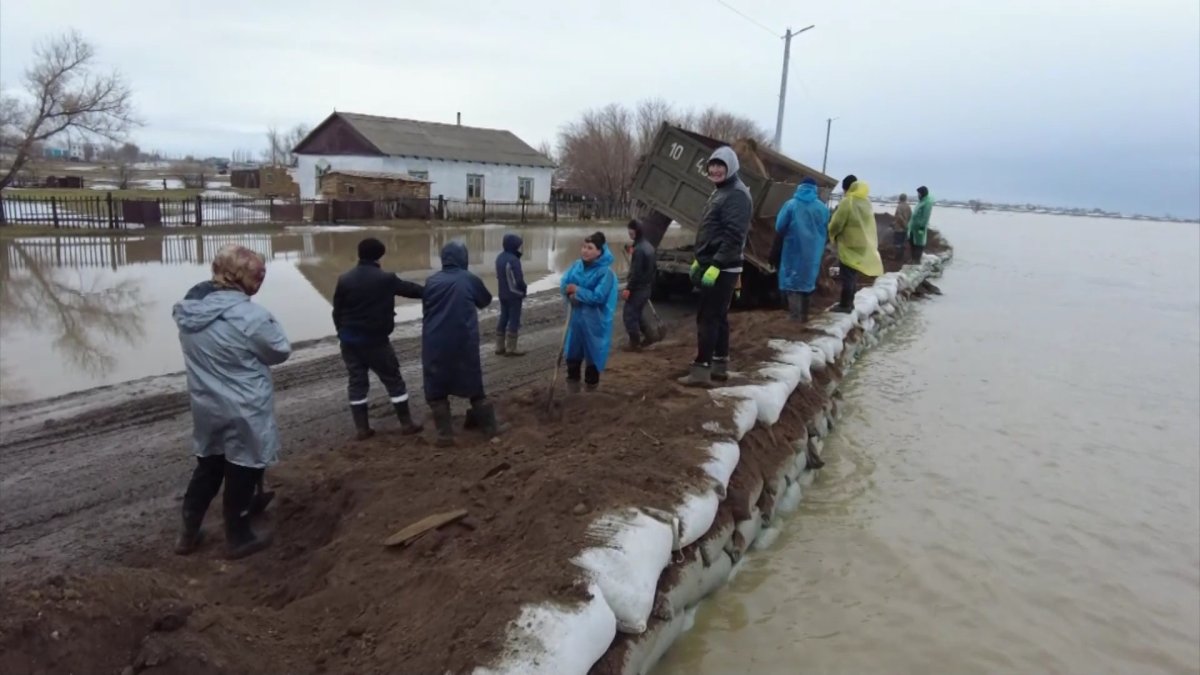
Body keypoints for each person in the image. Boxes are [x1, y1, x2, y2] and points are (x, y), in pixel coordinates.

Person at [172, 244, 291, 560]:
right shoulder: (252, 316)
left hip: (206, 402)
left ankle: (187, 534)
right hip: (244, 404)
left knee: (209, 466)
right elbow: (280, 350)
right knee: (245, 466)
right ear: (241, 277)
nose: (261, 278)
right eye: (257, 274)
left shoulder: (189, 311)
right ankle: (238, 537)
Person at [332, 237, 425, 441]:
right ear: (380, 255)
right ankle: (407, 424)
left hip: (349, 341)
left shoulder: (344, 279)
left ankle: (362, 429)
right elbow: (412, 290)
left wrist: (341, 332)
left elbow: (336, 311)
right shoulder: (386, 279)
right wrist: (434, 289)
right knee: (393, 380)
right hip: (376, 341)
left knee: (357, 382)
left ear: (359, 254)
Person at [422, 241, 501, 447]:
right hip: (463, 341)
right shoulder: (469, 279)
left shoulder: (431, 280)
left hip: (433, 341)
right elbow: (484, 300)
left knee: (436, 388)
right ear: (463, 258)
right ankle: (490, 430)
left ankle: (445, 435)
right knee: (474, 385)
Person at [686, 146, 752, 385]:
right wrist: (699, 258)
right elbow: (713, 230)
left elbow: (734, 236)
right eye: (712, 165)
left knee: (708, 317)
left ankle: (702, 369)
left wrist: (715, 264)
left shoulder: (736, 194)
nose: (714, 170)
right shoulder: (723, 191)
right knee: (719, 316)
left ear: (731, 167)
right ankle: (719, 365)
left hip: (722, 268)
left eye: (720, 165)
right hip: (716, 263)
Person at [561, 231, 619, 391]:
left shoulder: (606, 273)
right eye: (584, 247)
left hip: (595, 322)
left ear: (599, 252)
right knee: (572, 357)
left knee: (592, 358)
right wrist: (568, 293)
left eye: (590, 247)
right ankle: (572, 392)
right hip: (576, 319)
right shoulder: (576, 266)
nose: (585, 250)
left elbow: (599, 297)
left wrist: (578, 291)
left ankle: (591, 393)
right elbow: (564, 283)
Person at [774, 177, 830, 322]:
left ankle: (794, 319)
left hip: (793, 250)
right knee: (807, 283)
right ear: (814, 189)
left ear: (800, 188)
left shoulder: (790, 205)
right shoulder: (822, 208)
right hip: (813, 252)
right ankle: (804, 317)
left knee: (792, 284)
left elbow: (779, 226)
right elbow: (826, 228)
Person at [828, 178, 884, 313]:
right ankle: (850, 303)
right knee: (853, 274)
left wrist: (831, 233)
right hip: (862, 244)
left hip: (849, 243)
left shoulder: (848, 201)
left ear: (847, 188)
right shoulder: (865, 202)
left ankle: (845, 305)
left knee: (846, 274)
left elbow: (837, 223)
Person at [622, 219, 657, 351]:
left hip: (637, 289)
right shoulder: (648, 246)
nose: (629, 233)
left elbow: (636, 273)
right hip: (646, 287)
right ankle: (650, 336)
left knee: (629, 315)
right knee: (637, 314)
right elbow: (653, 268)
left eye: (631, 231)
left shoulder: (639, 249)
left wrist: (628, 289)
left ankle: (634, 343)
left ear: (636, 231)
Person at [494, 233, 528, 357]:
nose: (520, 248)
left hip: (502, 293)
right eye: (519, 245)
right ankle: (511, 348)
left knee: (503, 317)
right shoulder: (514, 260)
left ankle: (499, 346)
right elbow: (519, 280)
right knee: (514, 319)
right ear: (514, 246)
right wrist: (524, 290)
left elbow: (498, 276)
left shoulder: (499, 258)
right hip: (514, 294)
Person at [908, 186, 934, 263]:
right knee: (912, 242)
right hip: (913, 228)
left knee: (919, 244)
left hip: (919, 228)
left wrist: (921, 229)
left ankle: (916, 260)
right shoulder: (921, 202)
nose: (917, 195)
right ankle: (913, 259)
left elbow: (925, 217)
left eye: (918, 193)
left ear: (922, 193)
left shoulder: (927, 203)